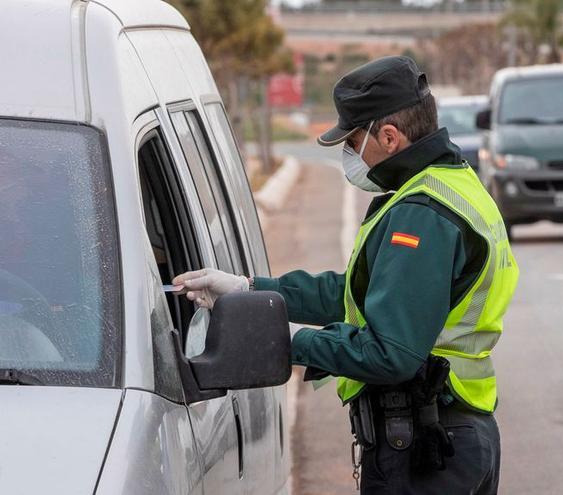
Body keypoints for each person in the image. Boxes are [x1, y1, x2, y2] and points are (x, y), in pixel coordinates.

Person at [174, 56, 519, 494]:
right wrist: (249, 291)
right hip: (451, 435)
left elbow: (389, 351)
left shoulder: (422, 214)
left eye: (353, 142)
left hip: (427, 447)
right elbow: (361, 295)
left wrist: (286, 338)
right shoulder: (446, 184)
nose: (349, 155)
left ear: (389, 137)